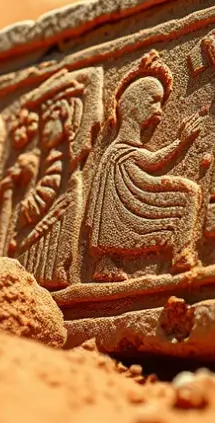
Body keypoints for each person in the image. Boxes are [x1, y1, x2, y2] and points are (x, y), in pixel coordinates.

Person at [85, 52, 205, 281]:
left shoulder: (118, 151)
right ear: (134, 105)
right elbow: (151, 161)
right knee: (187, 193)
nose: (159, 112)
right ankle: (179, 255)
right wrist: (181, 141)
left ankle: (110, 262)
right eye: (154, 103)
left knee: (186, 192)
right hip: (131, 200)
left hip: (136, 192)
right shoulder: (119, 151)